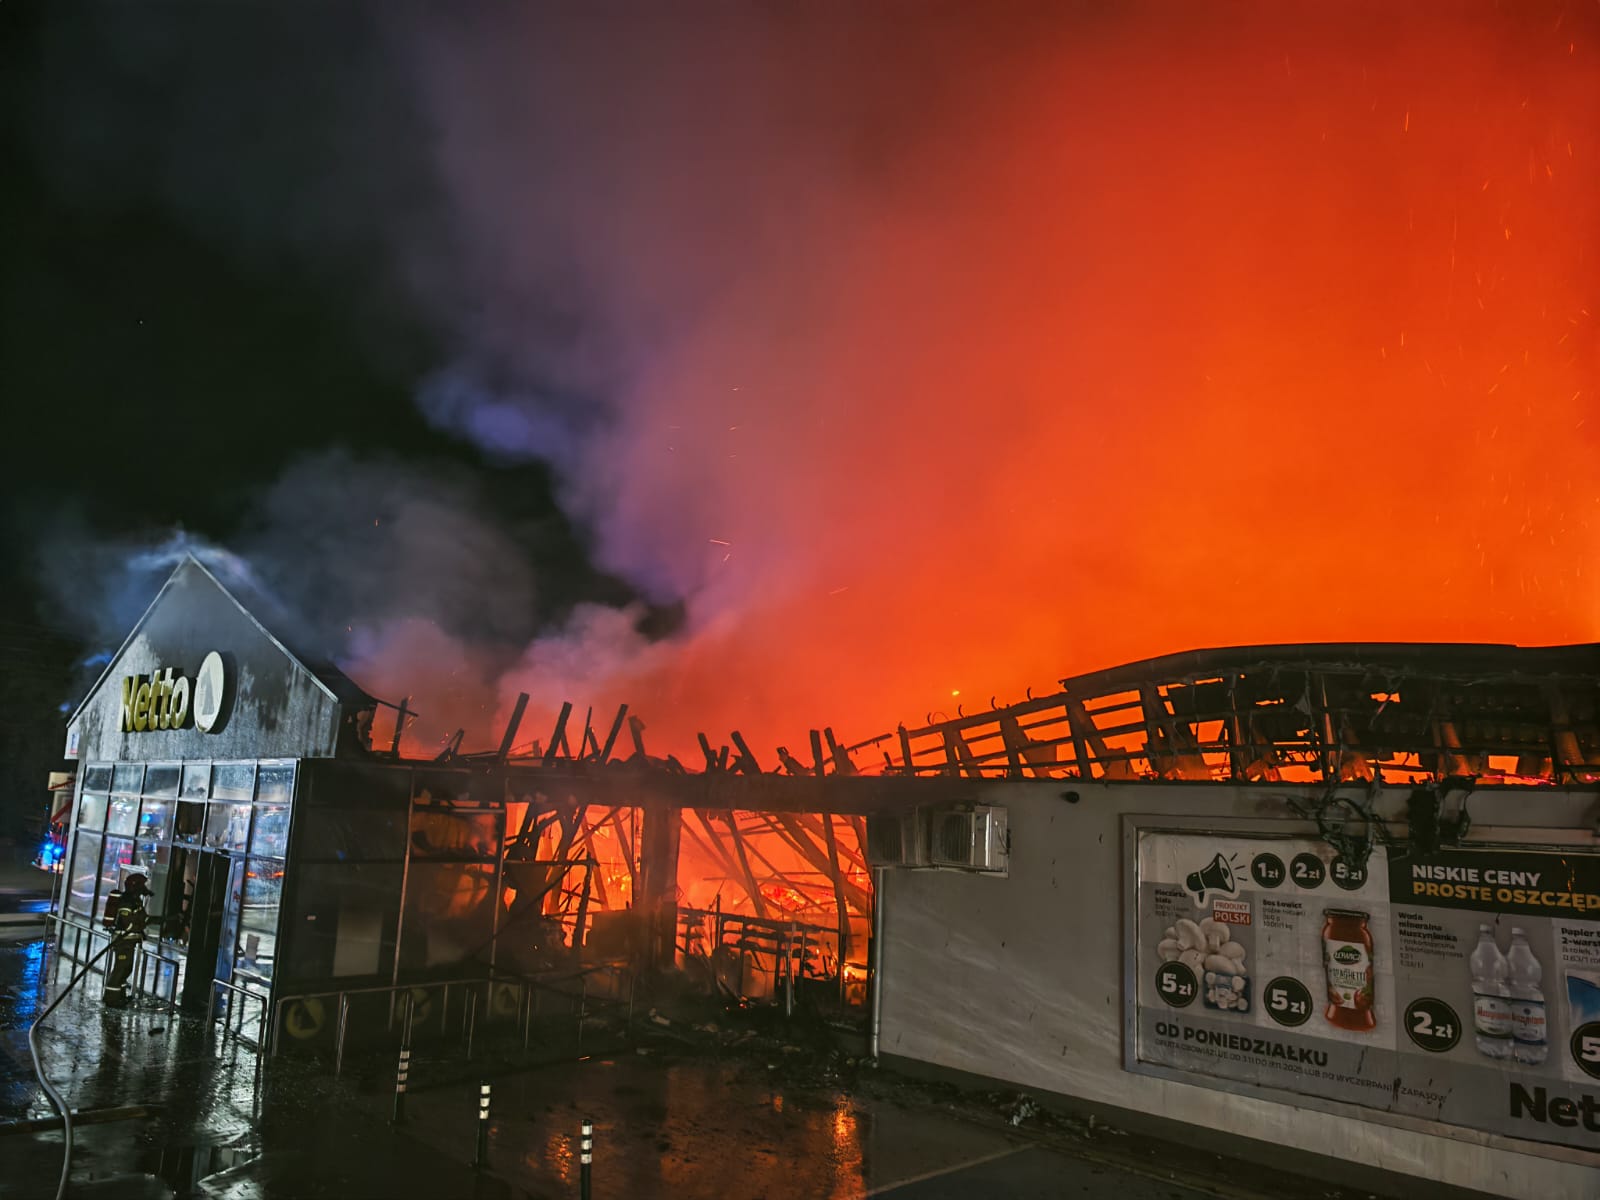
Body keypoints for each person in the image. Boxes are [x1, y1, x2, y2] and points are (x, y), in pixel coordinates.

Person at [101, 872, 150, 1008]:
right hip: (123, 941)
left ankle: (120, 996)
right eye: (142, 885)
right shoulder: (127, 901)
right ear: (135, 886)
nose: (143, 888)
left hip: (130, 942)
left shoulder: (135, 901)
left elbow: (143, 918)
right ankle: (111, 999)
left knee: (126, 969)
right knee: (120, 969)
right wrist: (138, 925)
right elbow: (128, 922)